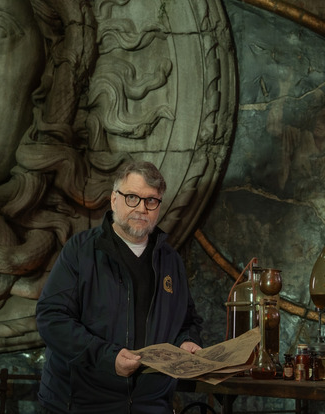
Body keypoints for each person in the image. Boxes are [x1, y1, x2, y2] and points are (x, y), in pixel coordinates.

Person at [36, 161, 204, 413]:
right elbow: (51, 318)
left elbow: (187, 321)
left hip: (150, 406)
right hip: (82, 404)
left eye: (151, 201)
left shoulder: (171, 260)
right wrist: (106, 357)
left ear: (159, 206)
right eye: (132, 197)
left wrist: (187, 342)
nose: (141, 209)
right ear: (114, 199)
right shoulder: (80, 251)